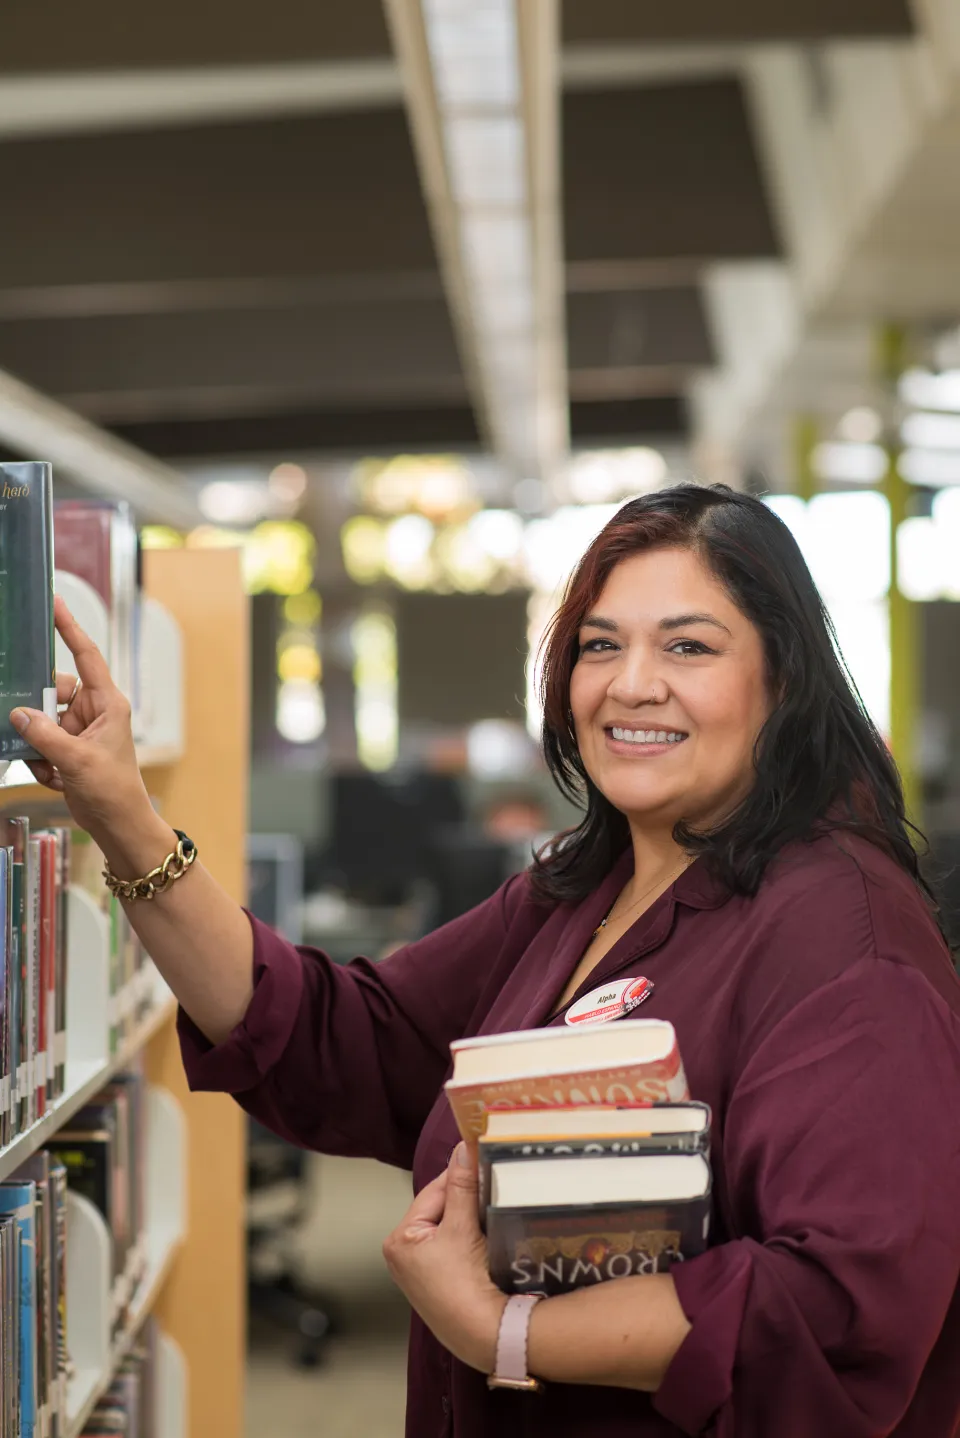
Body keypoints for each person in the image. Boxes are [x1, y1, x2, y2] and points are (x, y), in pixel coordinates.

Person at [13, 483, 960, 1438]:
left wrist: (504, 1334)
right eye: (600, 644)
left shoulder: (847, 942)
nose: (630, 683)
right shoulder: (580, 893)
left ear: (784, 681)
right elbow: (342, 1038)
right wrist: (123, 818)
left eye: (688, 646)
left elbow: (839, 1302)